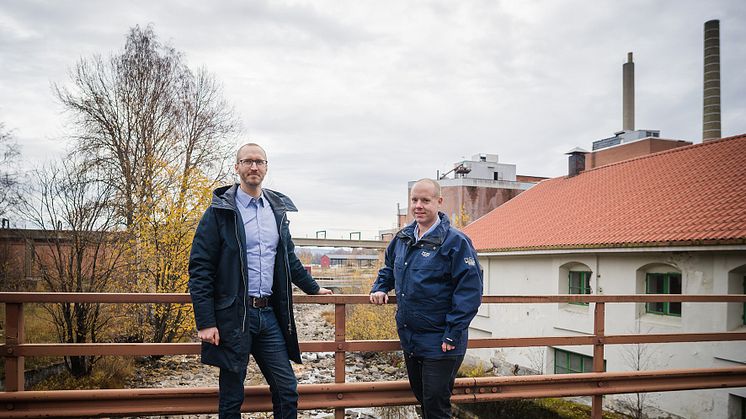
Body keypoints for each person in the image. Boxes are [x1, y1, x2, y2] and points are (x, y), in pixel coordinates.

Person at [188, 143, 332, 419]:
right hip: (233, 316)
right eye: (247, 161)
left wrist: (313, 287)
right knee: (232, 396)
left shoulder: (276, 212)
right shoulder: (219, 212)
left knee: (287, 388)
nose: (254, 167)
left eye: (259, 162)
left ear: (266, 168)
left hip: (268, 316)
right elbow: (200, 268)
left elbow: (288, 260)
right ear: (237, 167)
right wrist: (205, 322)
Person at [370, 178, 482, 419]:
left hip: (442, 340)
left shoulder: (456, 242)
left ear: (439, 202)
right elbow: (389, 267)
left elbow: (470, 291)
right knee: (423, 399)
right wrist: (380, 287)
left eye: (425, 200)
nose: (418, 205)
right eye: (414, 200)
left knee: (435, 406)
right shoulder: (403, 238)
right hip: (410, 337)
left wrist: (453, 331)